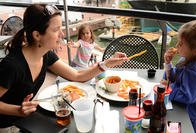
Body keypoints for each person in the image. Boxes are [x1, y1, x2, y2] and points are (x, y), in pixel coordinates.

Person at [0, 4, 128, 131]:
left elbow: (77, 76)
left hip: (27, 120)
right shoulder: (12, 66)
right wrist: (17, 110)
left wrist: (106, 63)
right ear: (37, 35)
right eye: (56, 30)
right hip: (6, 126)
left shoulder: (46, 55)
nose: (62, 34)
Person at [162, 20, 196, 133]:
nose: (177, 45)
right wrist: (168, 64)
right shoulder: (186, 58)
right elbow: (174, 78)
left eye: (181, 43)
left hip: (190, 118)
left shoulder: (195, 71)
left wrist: (169, 88)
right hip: (179, 107)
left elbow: (187, 97)